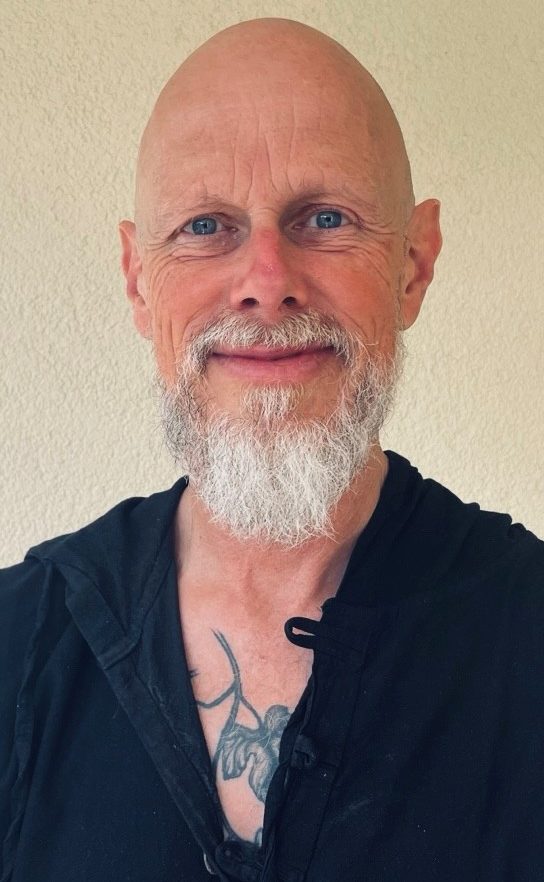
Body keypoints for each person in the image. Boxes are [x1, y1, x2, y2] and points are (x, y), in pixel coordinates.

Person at [1, 16, 543, 882]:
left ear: (413, 265)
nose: (266, 282)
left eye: (325, 218)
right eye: (205, 226)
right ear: (138, 281)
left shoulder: (525, 633)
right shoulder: (18, 642)